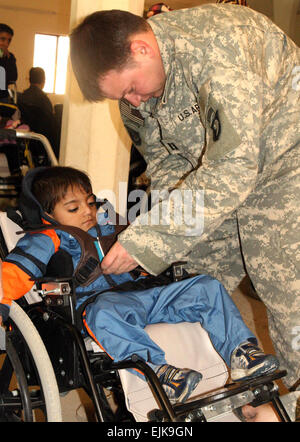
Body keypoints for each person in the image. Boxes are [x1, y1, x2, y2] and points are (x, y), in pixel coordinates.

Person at [69, 4, 300, 417]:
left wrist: (147, 238)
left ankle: (292, 404)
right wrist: (161, 239)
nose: (132, 101)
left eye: (131, 89)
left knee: (288, 291)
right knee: (195, 281)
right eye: (121, 96)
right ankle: (226, 396)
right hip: (216, 177)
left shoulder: (219, 45)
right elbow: (167, 166)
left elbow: (235, 164)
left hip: (286, 165)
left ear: (141, 48)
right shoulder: (134, 96)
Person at [0, 166, 279, 404]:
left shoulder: (112, 225)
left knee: (206, 286)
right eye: (74, 208)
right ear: (47, 216)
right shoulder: (48, 238)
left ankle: (241, 353)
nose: (87, 211)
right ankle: (159, 371)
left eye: (90, 202)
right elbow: (15, 272)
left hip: (148, 293)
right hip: (103, 305)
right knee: (103, 312)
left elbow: (153, 245)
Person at [18, 67, 60, 158]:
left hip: (26, 137)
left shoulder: (22, 97)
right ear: (43, 80)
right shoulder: (44, 100)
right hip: (43, 140)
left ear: (29, 79)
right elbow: (51, 123)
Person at [0, 24, 17, 101]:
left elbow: (13, 77)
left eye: (9, 40)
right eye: (3, 39)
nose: (6, 44)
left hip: (3, 98)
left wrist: (8, 59)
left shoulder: (10, 57)